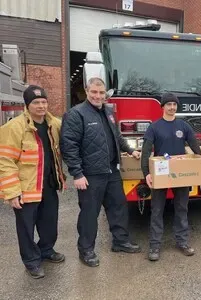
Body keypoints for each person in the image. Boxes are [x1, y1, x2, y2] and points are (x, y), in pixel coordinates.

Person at [60, 77, 141, 267]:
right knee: (90, 213)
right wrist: (77, 174)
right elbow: (68, 146)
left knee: (118, 207)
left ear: (106, 94)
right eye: (94, 92)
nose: (98, 96)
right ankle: (86, 250)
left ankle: (120, 242)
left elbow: (117, 136)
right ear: (87, 92)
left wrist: (130, 150)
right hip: (90, 175)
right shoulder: (76, 114)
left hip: (111, 171)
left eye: (101, 92)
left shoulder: (109, 112)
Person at [0, 85, 65, 279]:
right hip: (26, 188)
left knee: (49, 223)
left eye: (44, 102)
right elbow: (5, 161)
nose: (41, 106)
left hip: (49, 185)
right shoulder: (13, 128)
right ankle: (31, 261)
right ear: (27, 105)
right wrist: (12, 192)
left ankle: (46, 249)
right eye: (36, 102)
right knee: (26, 228)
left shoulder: (54, 124)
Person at [141, 92, 201, 261]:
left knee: (182, 208)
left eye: (174, 105)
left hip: (180, 175)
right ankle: (154, 246)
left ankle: (182, 242)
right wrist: (146, 173)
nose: (172, 107)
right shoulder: (154, 127)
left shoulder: (183, 126)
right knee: (157, 210)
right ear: (163, 107)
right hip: (160, 174)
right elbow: (146, 152)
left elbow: (195, 146)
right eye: (169, 104)